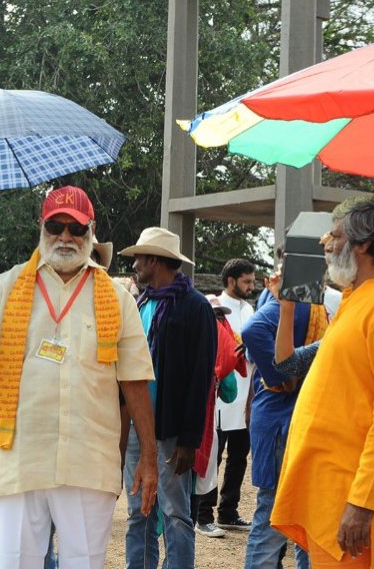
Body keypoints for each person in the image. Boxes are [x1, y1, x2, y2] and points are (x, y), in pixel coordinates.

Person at [0, 186, 158, 569]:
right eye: (56, 225)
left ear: (91, 232)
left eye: (76, 228)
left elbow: (135, 382)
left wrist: (148, 457)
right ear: (42, 226)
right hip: (21, 458)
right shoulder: (3, 288)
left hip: (89, 462)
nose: (65, 237)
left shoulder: (116, 297)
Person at [270, 196, 374, 569]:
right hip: (334, 492)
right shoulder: (358, 299)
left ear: (364, 243)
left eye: (334, 236)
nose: (325, 244)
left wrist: (363, 503)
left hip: (359, 500)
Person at [119, 226, 216, 569]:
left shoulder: (195, 307)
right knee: (138, 509)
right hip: (137, 426)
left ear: (155, 261)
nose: (135, 266)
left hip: (172, 430)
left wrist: (189, 440)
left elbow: (201, 377)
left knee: (175, 512)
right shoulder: (140, 303)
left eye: (139, 259)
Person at [241, 261, 328, 569]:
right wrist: (283, 376)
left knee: (302, 515)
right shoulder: (300, 304)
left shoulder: (305, 302)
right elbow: (252, 331)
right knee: (275, 516)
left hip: (284, 417)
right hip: (282, 418)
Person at [195, 258, 256, 537]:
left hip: (246, 396)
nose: (251, 286)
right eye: (247, 281)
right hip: (219, 396)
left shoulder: (250, 309)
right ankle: (203, 514)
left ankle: (228, 512)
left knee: (239, 456)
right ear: (231, 281)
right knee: (212, 457)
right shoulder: (212, 306)